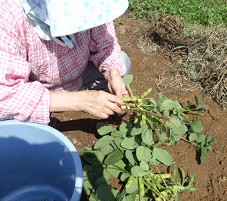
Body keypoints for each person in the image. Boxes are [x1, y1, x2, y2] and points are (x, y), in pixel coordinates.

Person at [0, 0, 131, 124]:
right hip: (39, 88)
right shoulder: (8, 15)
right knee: (12, 113)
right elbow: (4, 95)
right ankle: (53, 104)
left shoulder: (94, 5)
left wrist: (113, 74)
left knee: (122, 60)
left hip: (80, 75)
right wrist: (79, 101)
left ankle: (83, 94)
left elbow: (105, 43)